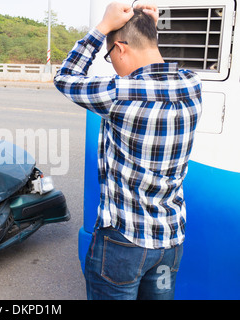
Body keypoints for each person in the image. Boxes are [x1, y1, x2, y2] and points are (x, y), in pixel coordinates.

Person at [54, 2, 202, 300]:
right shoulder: (191, 85)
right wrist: (149, 30)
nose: (114, 65)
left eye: (110, 56)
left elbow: (65, 77)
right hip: (170, 240)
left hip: (123, 241)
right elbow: (158, 67)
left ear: (120, 49)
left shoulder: (118, 94)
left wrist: (101, 28)